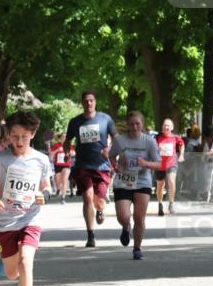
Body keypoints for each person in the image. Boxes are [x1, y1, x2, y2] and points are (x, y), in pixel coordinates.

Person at [0, 111, 51, 286]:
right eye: (15, 136)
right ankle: (4, 263)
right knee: (12, 273)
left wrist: (45, 195)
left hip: (31, 217)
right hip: (6, 221)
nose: (19, 141)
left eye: (24, 136)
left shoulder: (41, 160)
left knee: (26, 261)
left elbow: (46, 186)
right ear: (9, 135)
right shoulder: (0, 159)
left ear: (32, 134)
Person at [63, 91, 116, 247]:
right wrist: (66, 152)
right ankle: (90, 236)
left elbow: (116, 137)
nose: (89, 103)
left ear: (95, 102)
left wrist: (110, 149)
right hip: (83, 165)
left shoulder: (105, 119)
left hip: (102, 165)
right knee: (87, 197)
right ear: (82, 103)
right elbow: (67, 140)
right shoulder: (75, 122)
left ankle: (100, 210)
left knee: (99, 201)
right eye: (86, 101)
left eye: (91, 100)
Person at [109, 111, 160, 260]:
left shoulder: (149, 141)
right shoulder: (120, 141)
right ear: (128, 125)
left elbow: (158, 163)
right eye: (132, 124)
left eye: (137, 124)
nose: (135, 127)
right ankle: (126, 227)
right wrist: (116, 166)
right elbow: (111, 156)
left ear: (142, 125)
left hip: (142, 181)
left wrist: (145, 164)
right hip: (123, 181)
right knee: (124, 216)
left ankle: (137, 248)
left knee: (139, 217)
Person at [154, 118, 185, 216]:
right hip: (159, 165)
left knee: (172, 181)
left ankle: (171, 203)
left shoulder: (176, 137)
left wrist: (181, 155)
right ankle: (160, 204)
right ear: (162, 127)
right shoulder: (157, 137)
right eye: (164, 125)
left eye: (168, 125)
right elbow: (152, 147)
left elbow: (182, 144)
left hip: (172, 163)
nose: (166, 127)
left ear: (172, 127)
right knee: (160, 185)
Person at [48, 132, 73, 204]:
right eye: (63, 136)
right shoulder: (56, 145)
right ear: (60, 137)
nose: (64, 138)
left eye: (65, 137)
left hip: (66, 165)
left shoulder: (69, 145)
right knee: (59, 182)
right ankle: (58, 188)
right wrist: (57, 150)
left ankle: (63, 198)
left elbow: (74, 153)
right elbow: (50, 154)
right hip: (58, 165)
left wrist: (68, 151)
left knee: (64, 180)